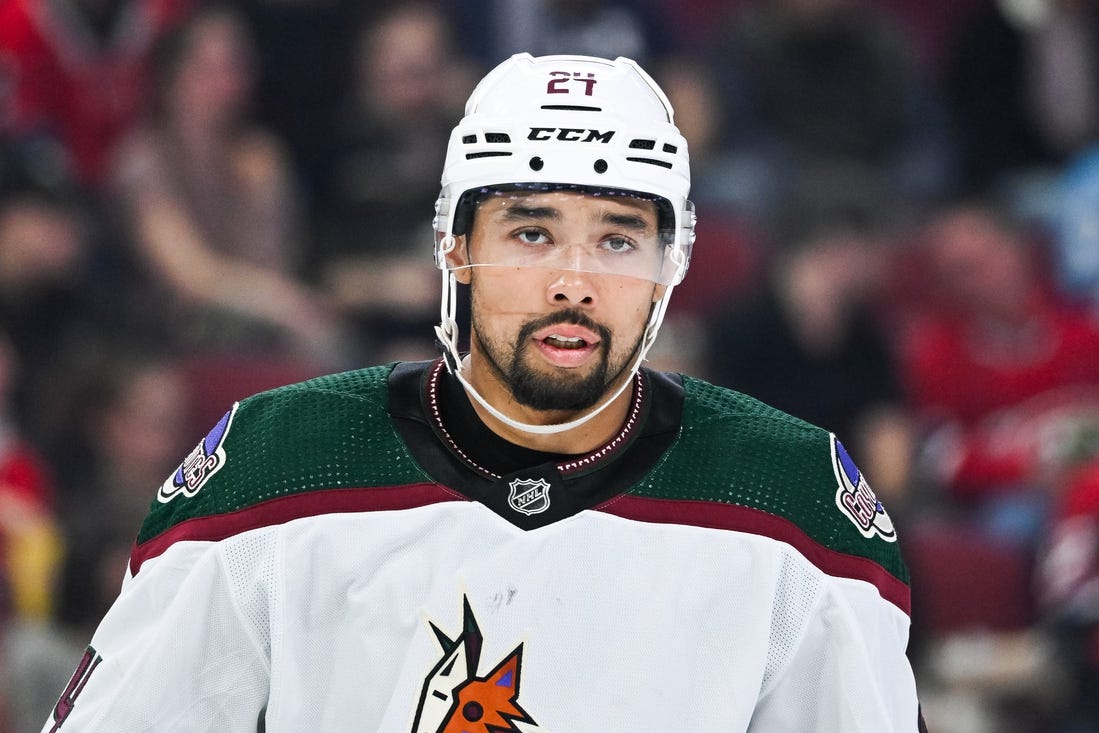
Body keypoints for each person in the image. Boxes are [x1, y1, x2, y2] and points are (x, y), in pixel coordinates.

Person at [41, 53, 926, 731]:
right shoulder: (277, 463)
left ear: (670, 266)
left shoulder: (789, 497)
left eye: (618, 241)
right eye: (532, 231)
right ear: (454, 246)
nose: (574, 281)